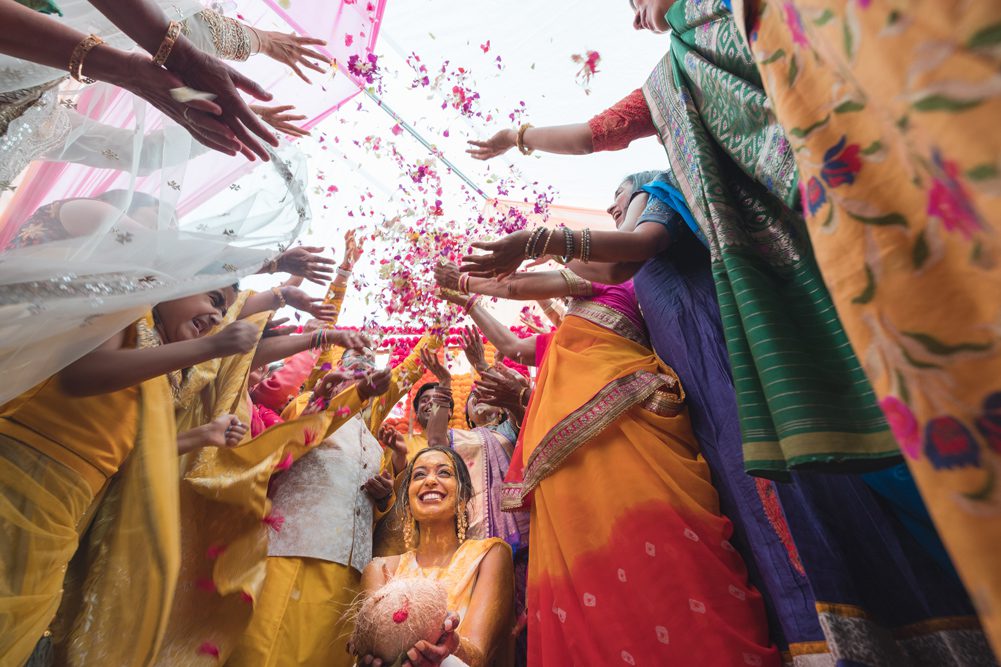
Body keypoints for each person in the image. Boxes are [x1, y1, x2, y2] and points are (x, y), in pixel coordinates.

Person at [455, 172, 995, 660]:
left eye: (619, 196)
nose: (613, 206)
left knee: (714, 522)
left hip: (652, 400)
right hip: (613, 414)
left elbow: (584, 265)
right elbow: (518, 315)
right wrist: (467, 292)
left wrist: (534, 243)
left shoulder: (627, 259)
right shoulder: (585, 313)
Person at [466, 0, 899, 487]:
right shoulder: (669, 81)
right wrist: (518, 138)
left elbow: (624, 251)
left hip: (858, 152)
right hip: (794, 228)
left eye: (637, 1)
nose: (635, 16)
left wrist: (541, 236)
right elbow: (592, 135)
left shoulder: (660, 189)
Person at [741, 0, 1001, 654]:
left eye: (637, 1)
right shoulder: (704, 47)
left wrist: (551, 233)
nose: (636, 15)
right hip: (836, 205)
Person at [434, 267, 777, 665]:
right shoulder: (566, 335)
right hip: (576, 469)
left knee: (666, 556)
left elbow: (515, 285)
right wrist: (470, 302)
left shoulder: (611, 280)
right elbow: (512, 346)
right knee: (603, 581)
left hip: (630, 441)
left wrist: (465, 282)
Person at [0, 289, 257, 666]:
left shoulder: (163, 365)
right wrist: (210, 347)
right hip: (27, 466)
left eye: (224, 309)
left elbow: (132, 455)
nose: (217, 316)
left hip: (73, 498)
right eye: (214, 298)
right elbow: (81, 374)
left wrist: (205, 435)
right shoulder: (131, 306)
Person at [357, 447, 515, 667]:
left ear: (462, 497)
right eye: (419, 475)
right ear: (408, 502)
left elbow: (479, 655)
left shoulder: (490, 555)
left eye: (444, 473)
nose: (430, 480)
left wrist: (452, 646)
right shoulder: (381, 569)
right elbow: (371, 646)